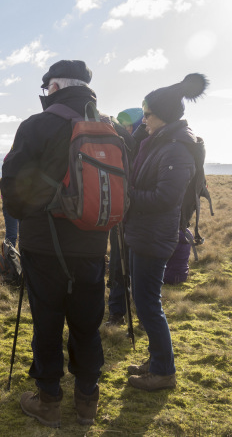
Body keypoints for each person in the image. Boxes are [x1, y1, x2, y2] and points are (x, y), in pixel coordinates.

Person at [2, 60, 132, 427]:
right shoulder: (114, 130)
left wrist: (28, 211)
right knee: (87, 323)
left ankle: (48, 401)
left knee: (47, 322)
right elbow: (127, 188)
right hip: (94, 244)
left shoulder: (37, 126)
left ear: (54, 87)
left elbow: (12, 188)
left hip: (43, 245)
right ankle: (87, 401)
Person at [124, 73, 208, 393]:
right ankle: (156, 360)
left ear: (165, 116)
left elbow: (165, 198)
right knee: (146, 301)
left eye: (148, 114)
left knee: (148, 305)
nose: (143, 119)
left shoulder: (176, 149)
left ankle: (163, 371)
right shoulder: (158, 142)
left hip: (153, 236)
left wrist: (128, 197)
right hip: (143, 232)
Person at [105, 108, 140, 326]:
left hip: (136, 218)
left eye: (127, 125)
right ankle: (117, 312)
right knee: (118, 265)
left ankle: (126, 312)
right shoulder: (124, 145)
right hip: (121, 217)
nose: (125, 130)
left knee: (132, 267)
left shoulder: (140, 146)